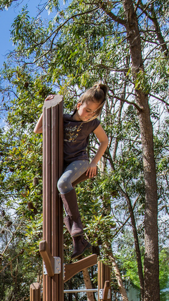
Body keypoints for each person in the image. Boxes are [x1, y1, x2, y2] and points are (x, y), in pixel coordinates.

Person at [34, 82, 110, 259]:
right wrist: (46, 107)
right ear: (79, 105)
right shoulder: (64, 119)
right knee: (57, 194)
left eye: (94, 112)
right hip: (64, 166)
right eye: (87, 110)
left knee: (62, 183)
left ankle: (77, 230)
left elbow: (104, 141)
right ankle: (79, 240)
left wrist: (94, 163)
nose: (90, 115)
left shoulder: (92, 124)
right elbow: (37, 130)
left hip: (80, 162)